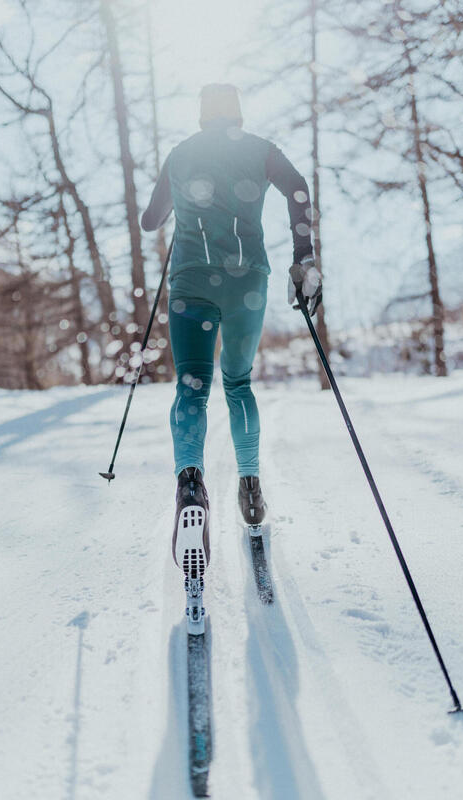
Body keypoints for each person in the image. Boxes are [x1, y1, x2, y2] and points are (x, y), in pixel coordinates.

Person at [141, 83, 322, 579]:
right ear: (237, 113)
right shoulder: (262, 150)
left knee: (192, 386)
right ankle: (249, 487)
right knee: (238, 383)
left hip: (190, 283)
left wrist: (181, 201)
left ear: (201, 115)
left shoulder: (180, 154)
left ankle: (191, 484)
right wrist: (304, 258)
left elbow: (149, 220)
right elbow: (298, 188)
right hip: (247, 284)